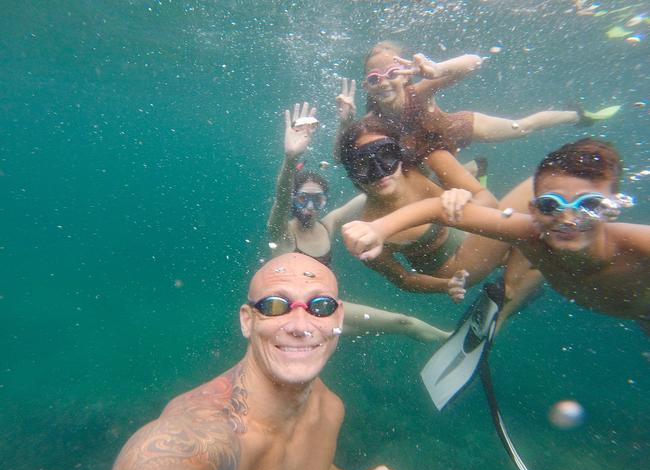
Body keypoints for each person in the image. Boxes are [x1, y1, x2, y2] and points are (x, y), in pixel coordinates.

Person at [110, 253, 408, 470]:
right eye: (275, 306)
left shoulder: (328, 409)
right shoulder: (206, 431)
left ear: (338, 317)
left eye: (319, 306)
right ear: (247, 320)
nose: (300, 327)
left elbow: (294, 467)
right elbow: (165, 467)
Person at [342, 138, 650, 332]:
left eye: (590, 205)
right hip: (467, 262)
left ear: (614, 208)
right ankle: (506, 300)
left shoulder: (637, 244)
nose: (568, 219)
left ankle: (507, 297)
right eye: (550, 205)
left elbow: (440, 206)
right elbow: (435, 211)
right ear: (533, 208)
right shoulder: (530, 230)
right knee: (526, 241)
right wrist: (378, 229)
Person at [267, 102, 450, 342]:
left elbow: (371, 185)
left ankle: (450, 340)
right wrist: (290, 160)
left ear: (324, 201)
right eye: (302, 199)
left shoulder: (326, 225)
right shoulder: (282, 233)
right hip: (292, 314)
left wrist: (347, 127)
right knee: (404, 322)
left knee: (396, 326)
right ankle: (451, 338)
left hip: (323, 309)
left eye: (317, 200)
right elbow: (280, 200)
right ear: (293, 200)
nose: (310, 208)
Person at [337, 115, 533, 303]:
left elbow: (488, 201)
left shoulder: (428, 161)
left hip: (475, 237)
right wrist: (448, 285)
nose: (379, 172)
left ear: (400, 152)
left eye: (386, 155)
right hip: (457, 266)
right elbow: (403, 279)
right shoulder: (366, 230)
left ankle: (509, 290)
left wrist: (467, 202)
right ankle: (509, 288)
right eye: (363, 165)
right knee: (532, 197)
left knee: (541, 251)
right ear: (352, 174)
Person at [337, 41, 619, 158]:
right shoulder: (371, 121)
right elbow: (342, 157)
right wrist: (345, 123)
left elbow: (474, 62)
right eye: (374, 78)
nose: (384, 82)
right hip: (426, 153)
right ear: (366, 85)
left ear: (406, 75)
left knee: (521, 128)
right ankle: (475, 169)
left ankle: (576, 116)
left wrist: (437, 70)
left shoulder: (419, 91)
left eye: (393, 73)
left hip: (455, 128)